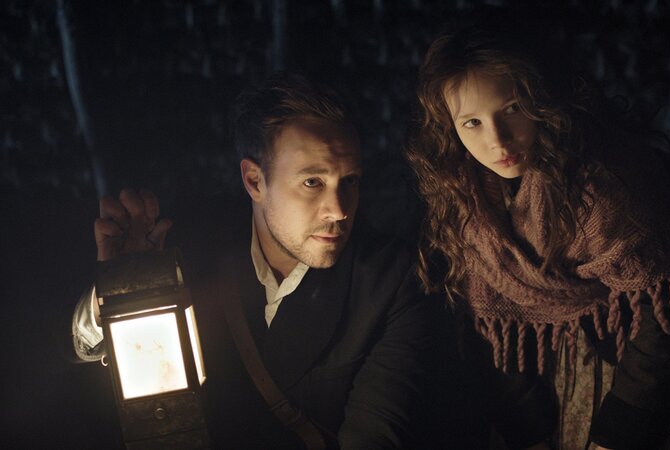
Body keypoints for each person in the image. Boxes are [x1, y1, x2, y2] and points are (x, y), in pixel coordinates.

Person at [405, 15, 670, 450]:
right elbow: (490, 330)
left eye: (513, 108)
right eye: (472, 122)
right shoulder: (468, 201)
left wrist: (619, 433)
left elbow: (666, 319)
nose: (498, 140)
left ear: (543, 98)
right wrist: (528, 434)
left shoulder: (605, 183)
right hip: (556, 386)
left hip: (646, 380)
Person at [71, 73, 440, 449]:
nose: (339, 210)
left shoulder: (388, 281)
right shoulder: (195, 244)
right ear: (254, 181)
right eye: (312, 182)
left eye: (350, 181)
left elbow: (376, 433)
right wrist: (118, 289)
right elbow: (83, 361)